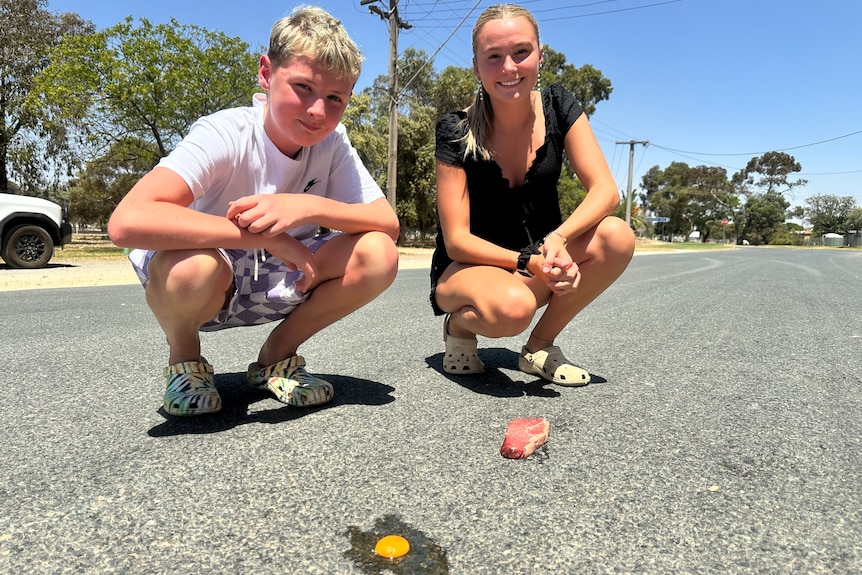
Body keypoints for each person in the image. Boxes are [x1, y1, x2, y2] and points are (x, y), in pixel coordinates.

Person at [108, 6, 399, 416]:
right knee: (190, 268)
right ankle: (184, 360)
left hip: (280, 278)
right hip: (209, 279)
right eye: (302, 87)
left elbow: (387, 223)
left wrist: (307, 205)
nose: (318, 111)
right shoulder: (225, 132)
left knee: (379, 253)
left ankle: (276, 358)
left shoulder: (332, 144)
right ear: (266, 72)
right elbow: (127, 222)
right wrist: (264, 236)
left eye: (335, 98)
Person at [430, 4, 635, 386]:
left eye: (521, 52)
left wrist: (557, 240)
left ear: (541, 55)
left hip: (536, 261)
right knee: (513, 309)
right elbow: (457, 242)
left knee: (617, 236)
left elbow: (606, 191)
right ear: (477, 67)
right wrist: (527, 260)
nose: (509, 67)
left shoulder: (559, 106)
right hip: (467, 270)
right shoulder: (455, 129)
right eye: (493, 57)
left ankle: (538, 347)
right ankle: (458, 325)